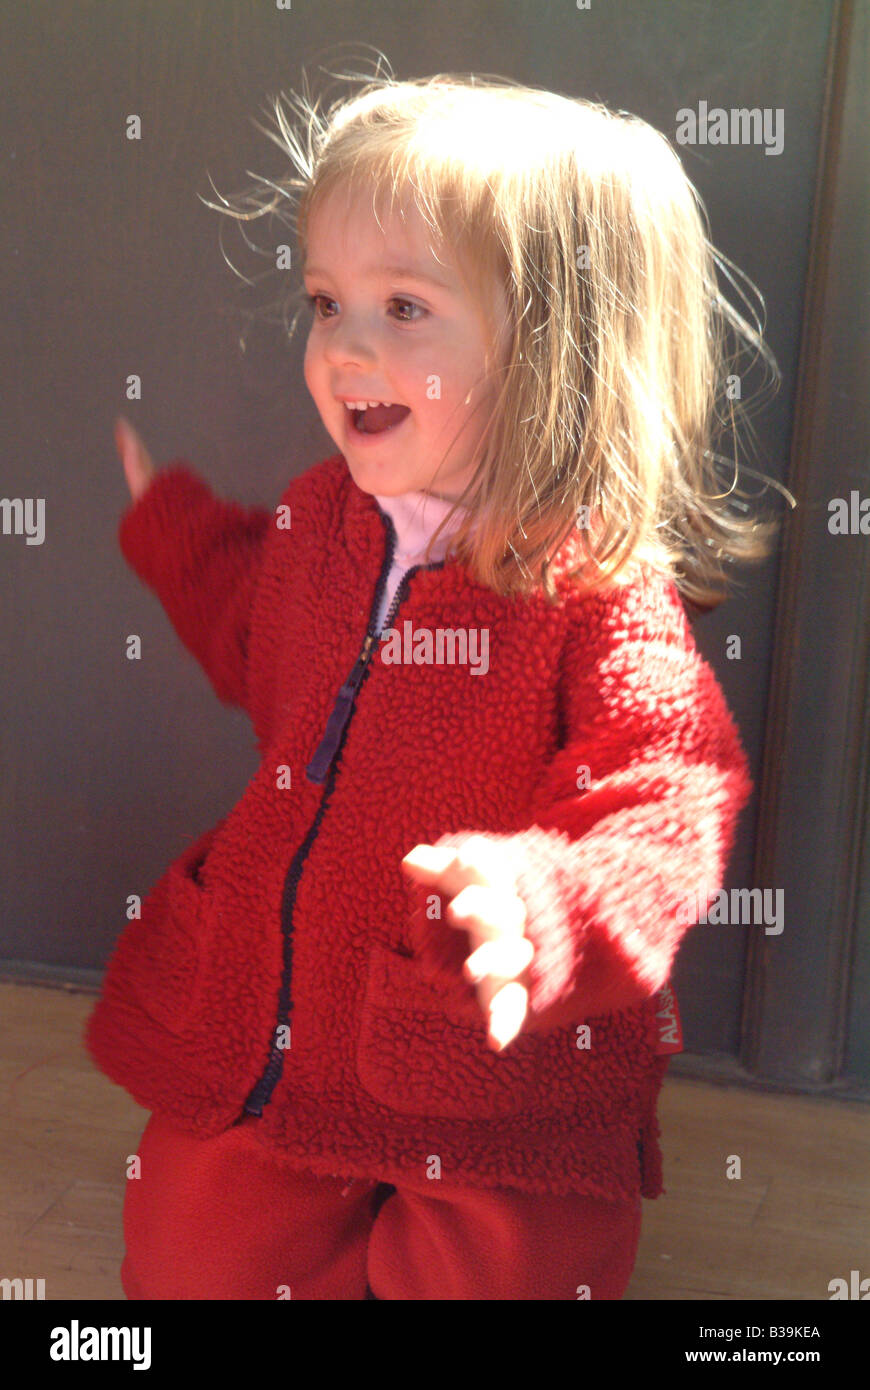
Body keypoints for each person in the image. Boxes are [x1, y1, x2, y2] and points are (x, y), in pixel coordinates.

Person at [86, 71, 781, 1300]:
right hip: (284, 1041)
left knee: (509, 1271)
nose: (345, 345)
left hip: (487, 1064)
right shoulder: (322, 519)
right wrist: (181, 537)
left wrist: (546, 908)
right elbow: (265, 636)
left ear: (558, 351)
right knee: (186, 1266)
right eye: (326, 301)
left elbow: (667, 796)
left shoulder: (593, 584)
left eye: (405, 305)